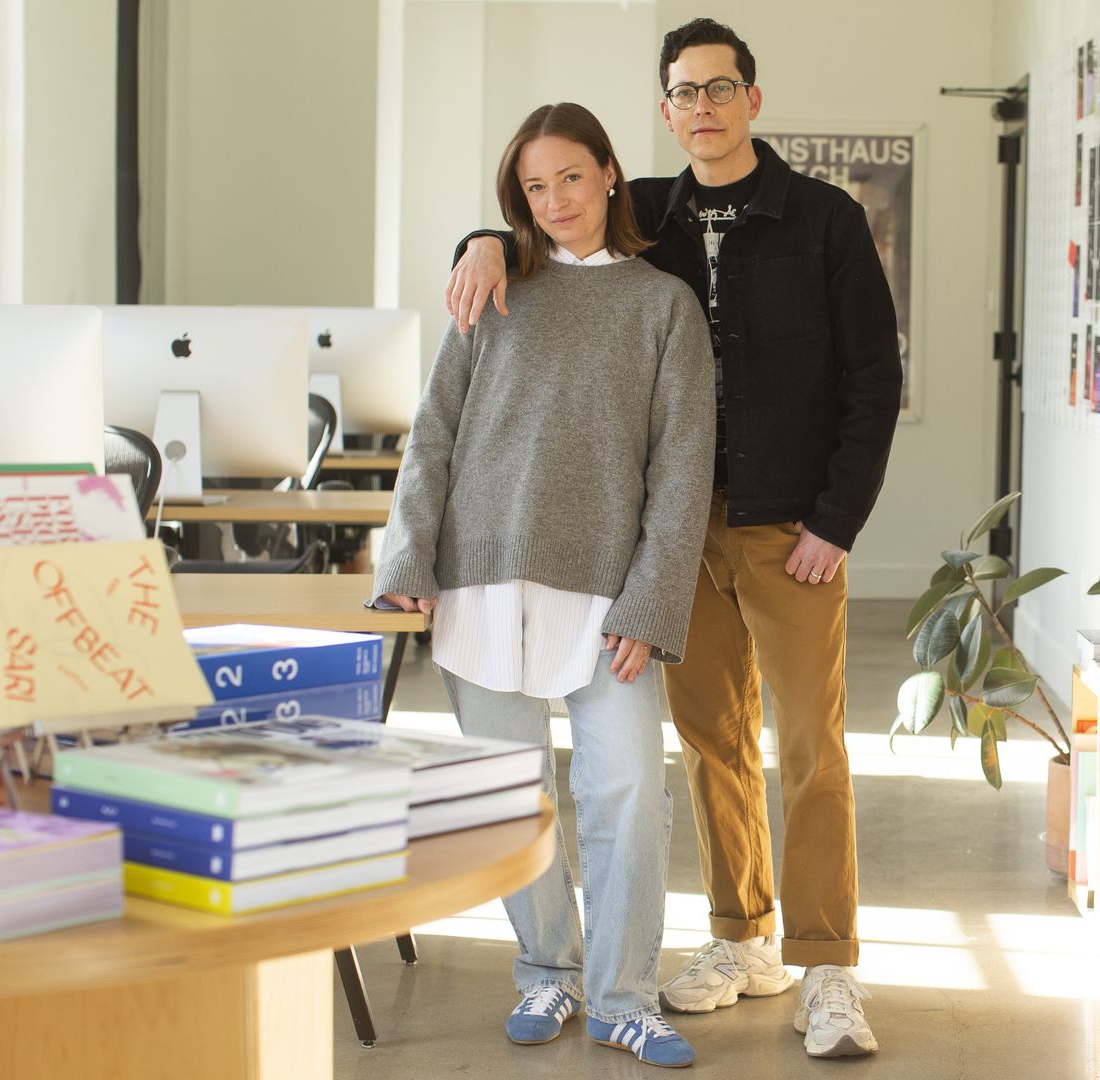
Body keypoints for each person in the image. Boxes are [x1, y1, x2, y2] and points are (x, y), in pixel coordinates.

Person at [445, 17, 901, 1060]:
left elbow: (875, 379)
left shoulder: (825, 220)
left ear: (752, 99)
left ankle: (829, 965)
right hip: (671, 526)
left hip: (791, 526)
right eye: (684, 92)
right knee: (712, 740)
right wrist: (474, 242)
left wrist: (838, 519)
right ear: (664, 112)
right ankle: (743, 940)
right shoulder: (643, 207)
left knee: (813, 746)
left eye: (720, 88)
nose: (702, 107)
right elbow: (541, 223)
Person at [375, 101, 714, 1069]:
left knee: (624, 797)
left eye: (571, 176)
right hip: (481, 583)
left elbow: (682, 470)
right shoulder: (496, 287)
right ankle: (547, 974)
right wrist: (408, 560)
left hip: (607, 598)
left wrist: (651, 604)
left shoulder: (662, 306)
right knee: (512, 799)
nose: (556, 199)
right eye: (534, 186)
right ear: (514, 199)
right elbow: (434, 431)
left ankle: (622, 996)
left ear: (611, 174)